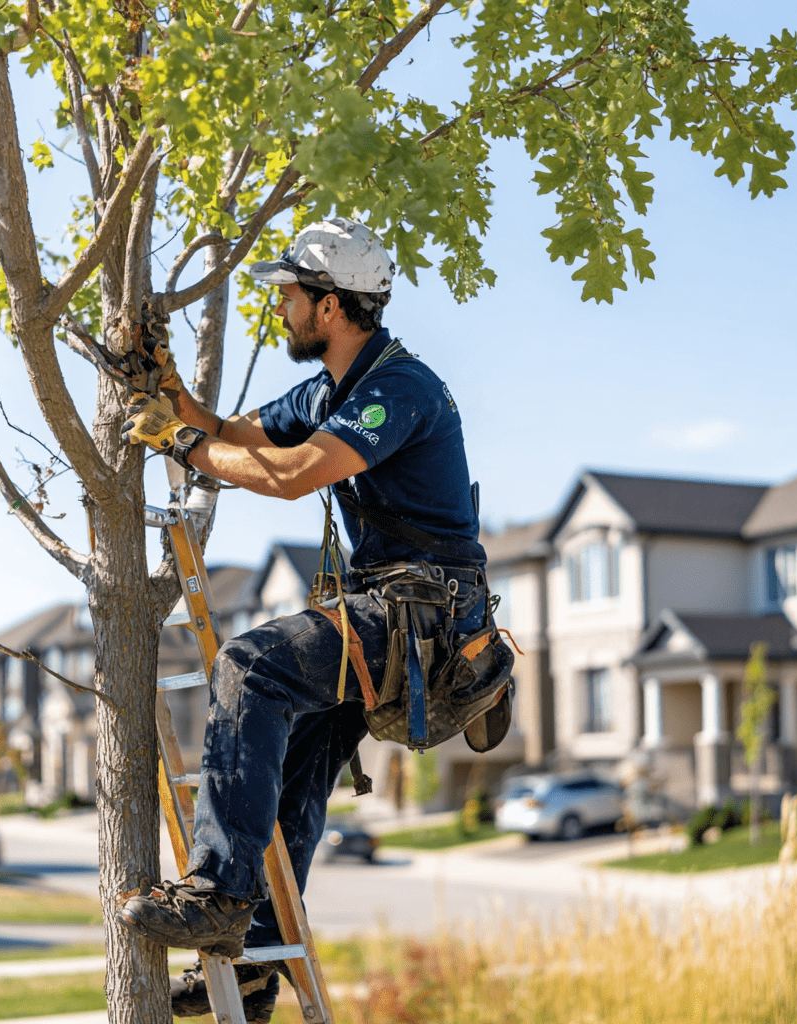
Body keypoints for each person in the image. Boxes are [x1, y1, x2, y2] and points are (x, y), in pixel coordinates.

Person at [116, 218, 508, 1022]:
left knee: (250, 667)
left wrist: (182, 441)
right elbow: (241, 435)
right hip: (388, 610)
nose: (282, 308)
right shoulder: (327, 389)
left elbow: (293, 474)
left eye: (290, 295)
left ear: (330, 306)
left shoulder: (400, 388)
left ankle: (219, 895)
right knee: (294, 766)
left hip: (421, 613)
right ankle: (256, 963)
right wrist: (168, 391)